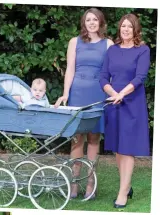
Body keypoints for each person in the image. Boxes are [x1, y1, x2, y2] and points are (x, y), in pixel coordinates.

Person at [54, 8, 114, 199]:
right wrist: (65, 94)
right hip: (78, 94)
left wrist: (112, 93)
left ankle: (90, 184)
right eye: (88, 19)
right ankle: (73, 185)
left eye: (95, 19)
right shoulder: (74, 42)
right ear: (84, 23)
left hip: (98, 94)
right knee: (77, 139)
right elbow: (70, 69)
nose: (91, 23)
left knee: (94, 139)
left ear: (101, 22)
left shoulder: (108, 44)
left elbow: (111, 73)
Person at [99, 13, 150, 208]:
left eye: (130, 26)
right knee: (118, 149)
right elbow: (103, 76)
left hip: (132, 102)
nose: (126, 29)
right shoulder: (112, 50)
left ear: (135, 29)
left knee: (127, 149)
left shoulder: (142, 50)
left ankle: (122, 193)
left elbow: (140, 77)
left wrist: (122, 93)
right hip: (114, 101)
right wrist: (113, 92)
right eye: (123, 26)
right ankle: (126, 186)